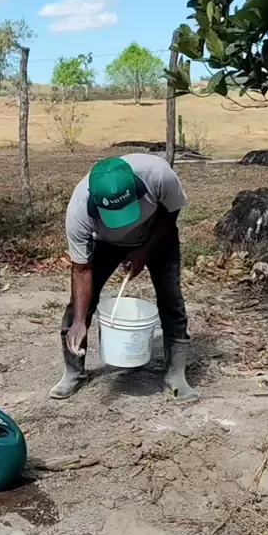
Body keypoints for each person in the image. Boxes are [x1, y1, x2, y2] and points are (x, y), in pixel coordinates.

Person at [49, 153, 199, 402]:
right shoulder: (78, 211)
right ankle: (74, 372)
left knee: (171, 298)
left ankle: (176, 374)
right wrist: (79, 321)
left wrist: (145, 251)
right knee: (78, 308)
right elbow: (81, 270)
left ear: (137, 190)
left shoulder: (159, 175)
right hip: (104, 243)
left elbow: (170, 214)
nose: (121, 223)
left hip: (157, 236)